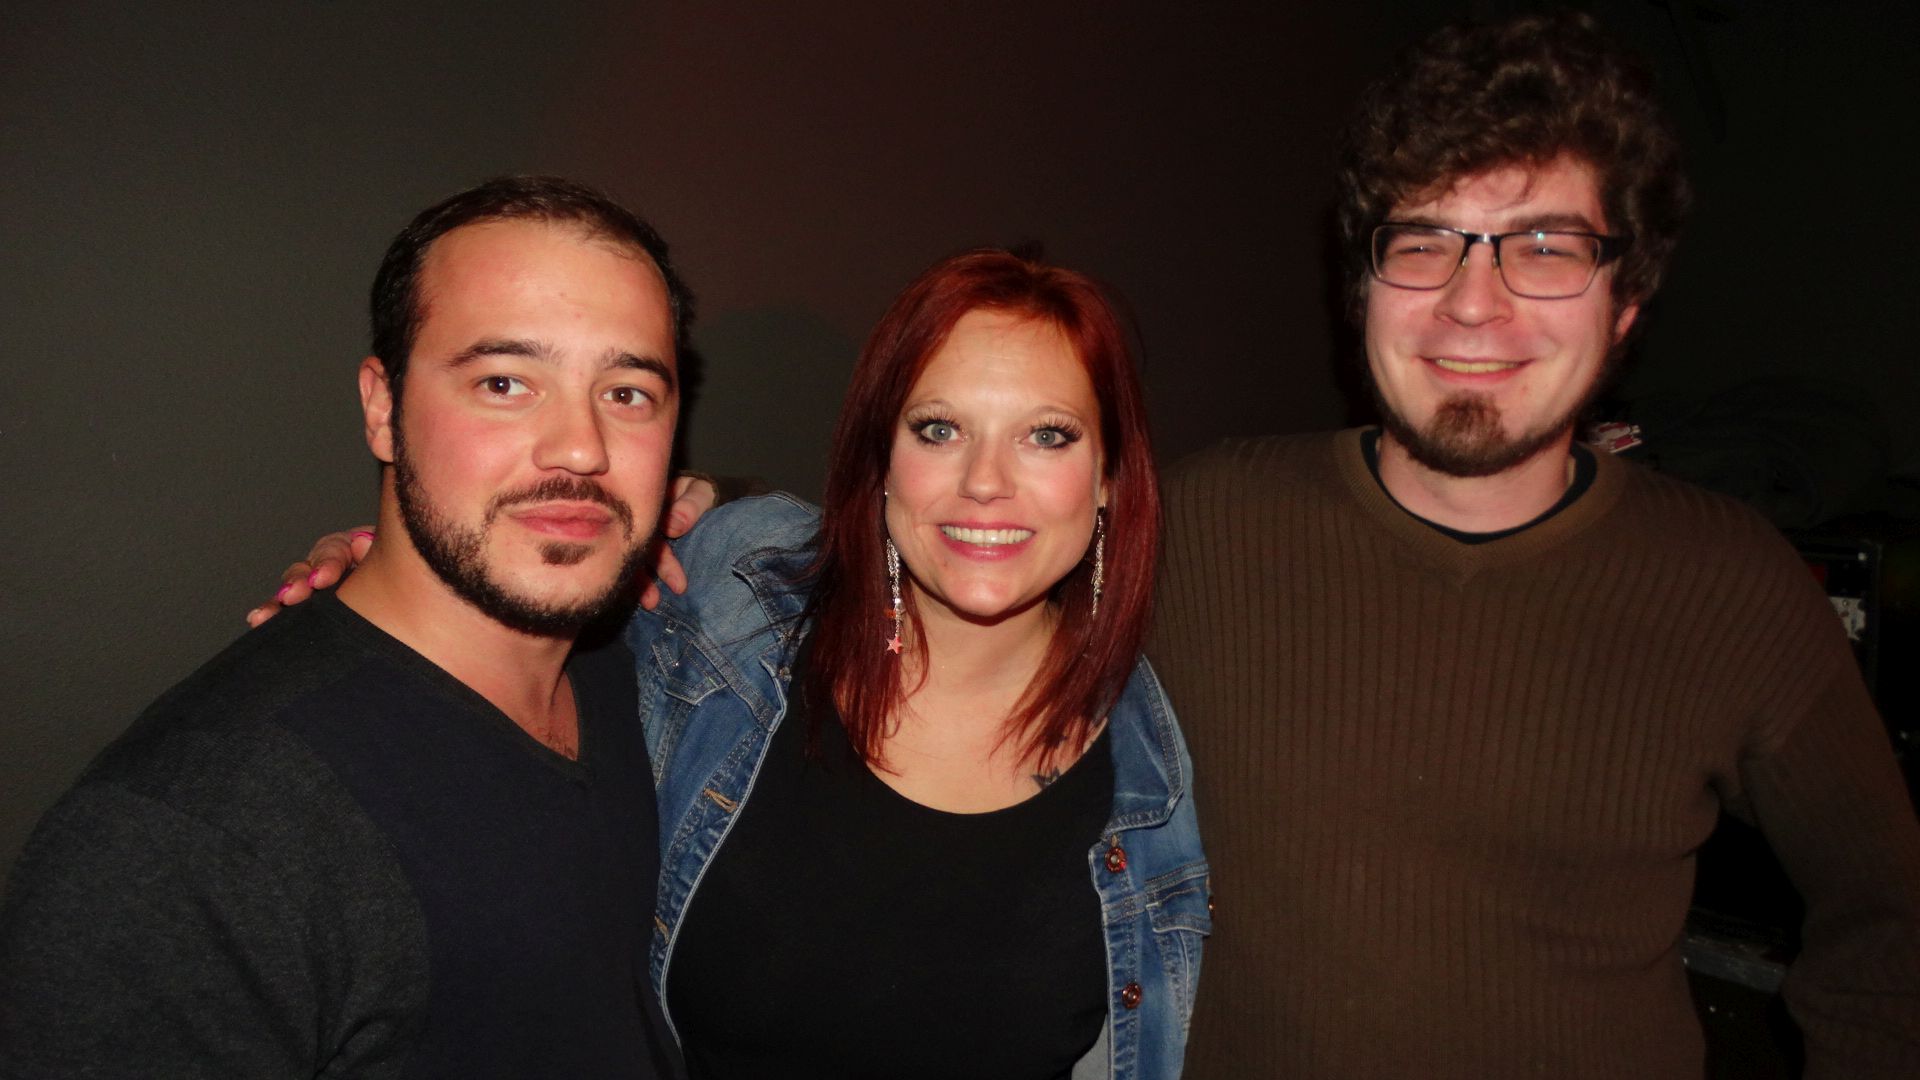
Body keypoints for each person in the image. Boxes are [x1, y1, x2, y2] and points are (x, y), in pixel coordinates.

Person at [1148, 11, 1920, 1079]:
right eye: (1424, 244)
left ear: (1627, 305)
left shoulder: (1735, 585)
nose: (1474, 305)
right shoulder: (1196, 527)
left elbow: (1892, 924)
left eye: (1547, 249)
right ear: (1362, 287)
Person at [260, 248, 1210, 1079]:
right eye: (938, 429)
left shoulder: (1149, 770)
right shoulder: (736, 599)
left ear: (1108, 479)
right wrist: (390, 567)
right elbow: (517, 558)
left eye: (1048, 435)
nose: (987, 482)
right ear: (879, 461)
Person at [0, 176, 692, 1078]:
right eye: (504, 382)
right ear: (382, 407)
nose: (581, 447)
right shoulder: (188, 842)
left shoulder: (642, 668)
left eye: (628, 393)